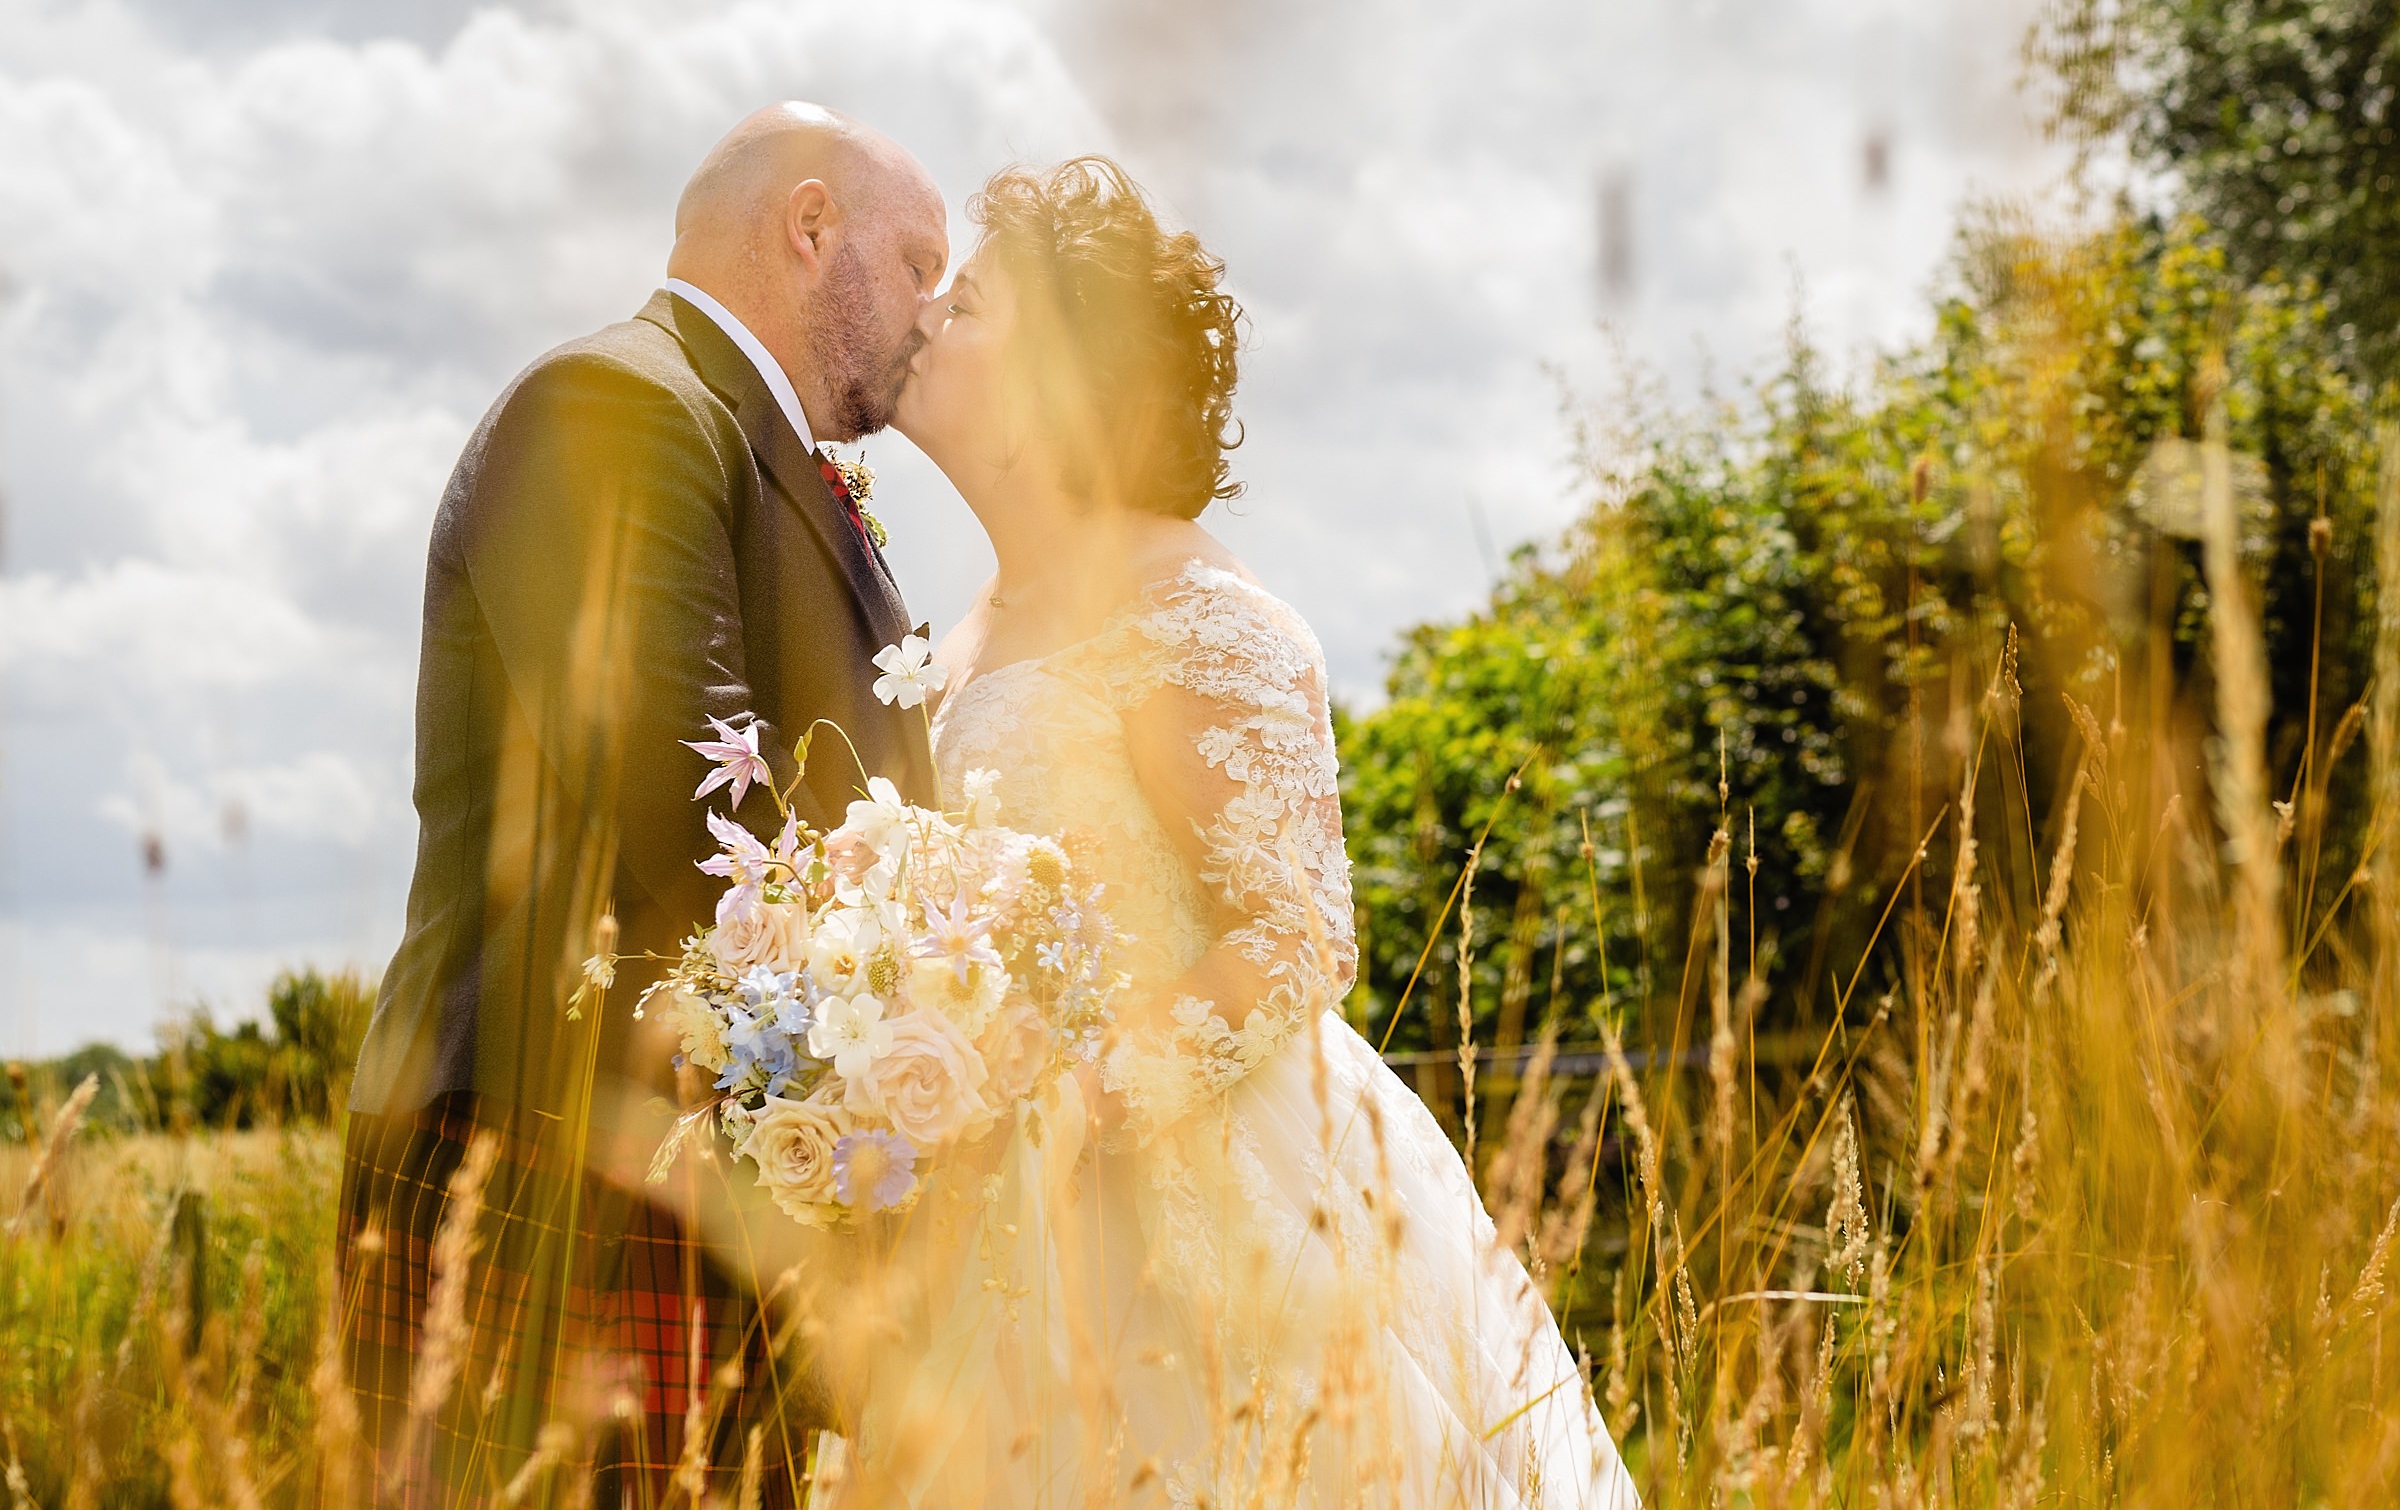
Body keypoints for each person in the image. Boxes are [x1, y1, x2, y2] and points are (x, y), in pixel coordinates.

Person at [810, 154, 1641, 1506]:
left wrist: (1078, 1104)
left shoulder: (1184, 603)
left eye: (968, 309)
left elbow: (1298, 932)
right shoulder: (954, 635)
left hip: (1204, 1221)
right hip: (992, 1233)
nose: (923, 324)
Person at [336, 102, 947, 1507]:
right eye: (917, 263)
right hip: (559, 1154)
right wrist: (921, 1013)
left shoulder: (759, 449)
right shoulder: (617, 402)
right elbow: (684, 807)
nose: (931, 310)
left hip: (701, 1166)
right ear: (809, 230)